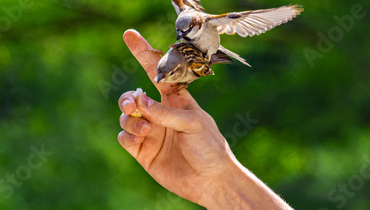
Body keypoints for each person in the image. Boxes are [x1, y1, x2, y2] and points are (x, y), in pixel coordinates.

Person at [118, 29, 293, 210]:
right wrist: (217, 180)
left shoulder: (191, 67)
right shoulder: (172, 57)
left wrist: (218, 181)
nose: (160, 79)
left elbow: (199, 66)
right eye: (160, 73)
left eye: (167, 76)